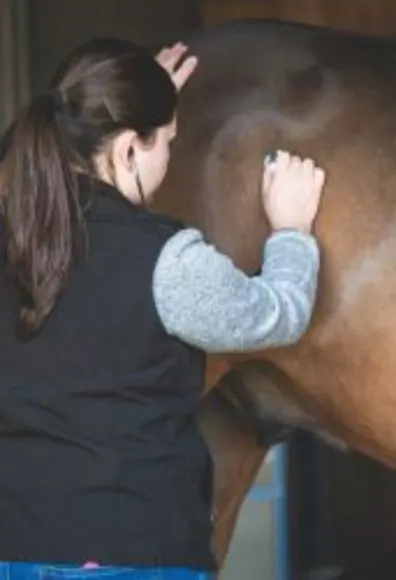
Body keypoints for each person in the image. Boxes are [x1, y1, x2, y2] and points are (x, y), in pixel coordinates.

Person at [0, 37, 325, 580]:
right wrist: (292, 230)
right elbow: (278, 314)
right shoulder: (167, 262)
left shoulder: (11, 238)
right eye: (167, 142)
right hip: (134, 552)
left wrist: (132, 106)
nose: (170, 157)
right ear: (129, 149)